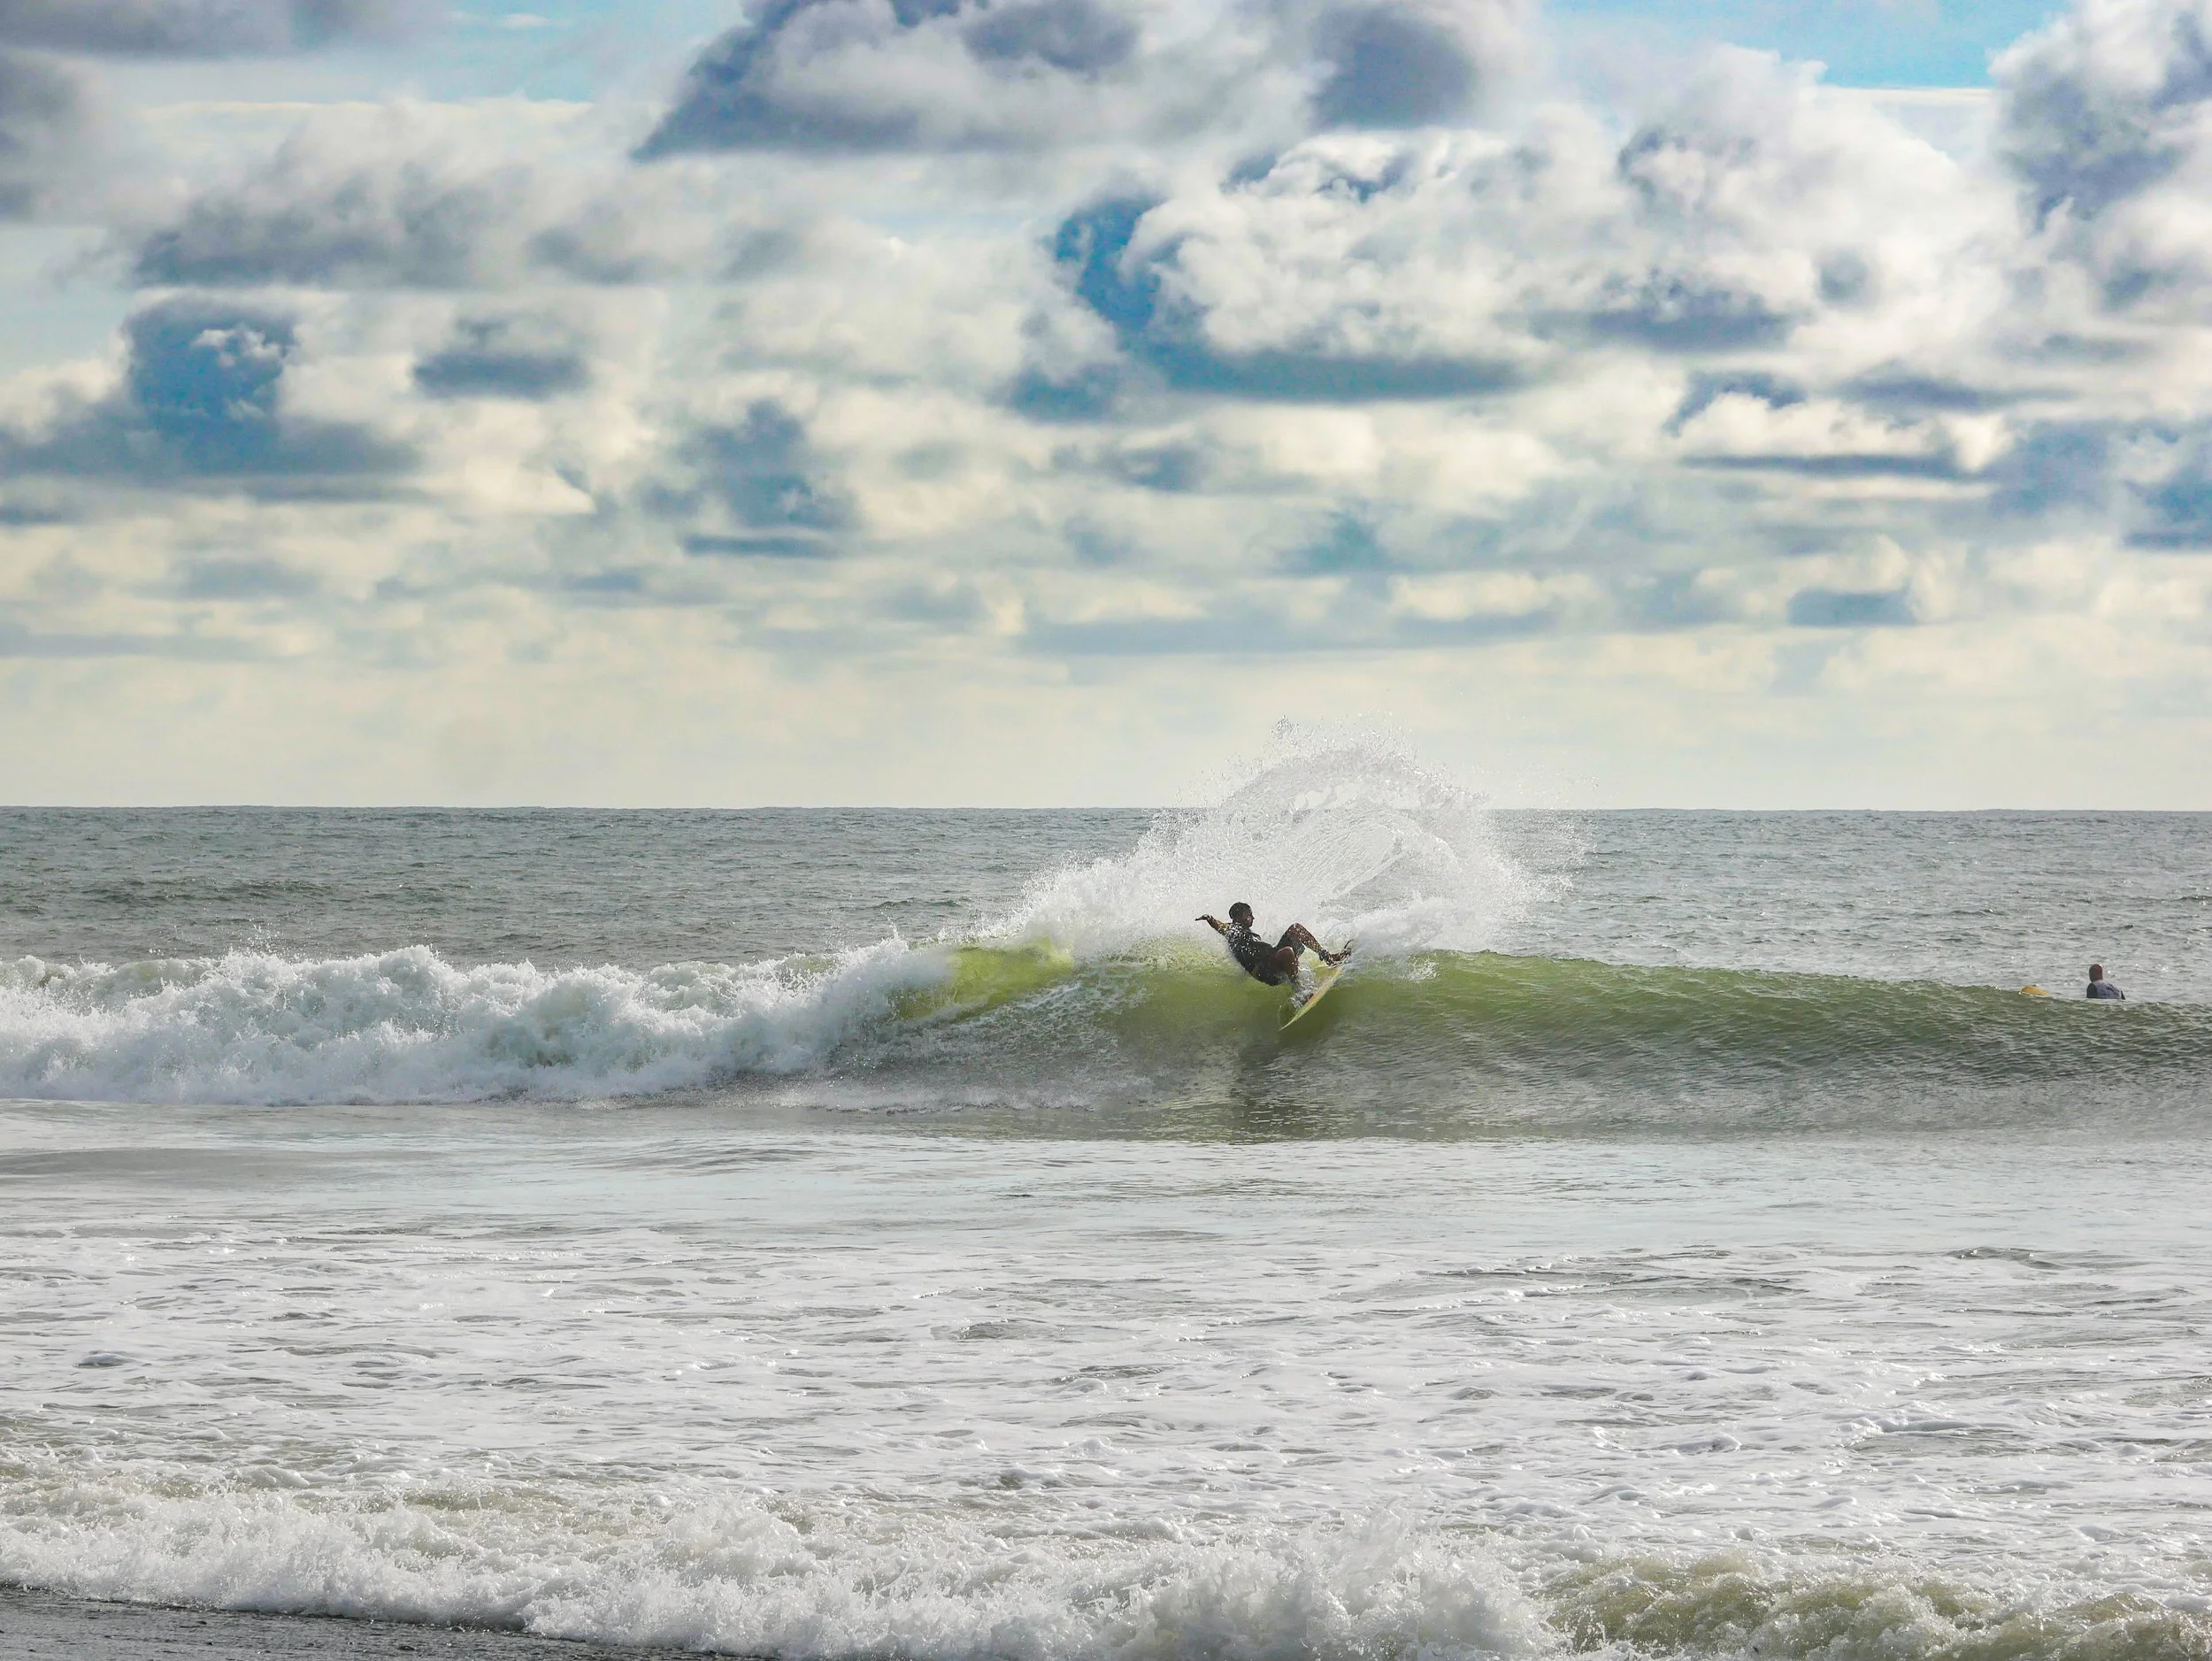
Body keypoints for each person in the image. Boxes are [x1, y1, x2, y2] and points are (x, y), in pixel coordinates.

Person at [1197, 902, 1347, 987]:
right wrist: (1211, 919)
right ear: (1238, 917)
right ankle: (1300, 990)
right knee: (1287, 951)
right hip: (1264, 970)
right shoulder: (1233, 930)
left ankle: (1327, 956)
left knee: (1296, 929)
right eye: (1249, 915)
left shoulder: (1244, 931)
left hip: (1272, 958)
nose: (1253, 918)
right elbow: (1222, 927)